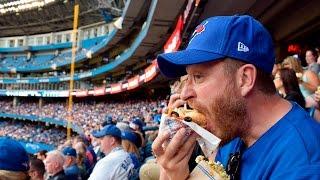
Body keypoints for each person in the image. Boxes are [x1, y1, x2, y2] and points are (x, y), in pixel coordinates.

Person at [153, 15, 320, 179]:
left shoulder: (302, 167)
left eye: (198, 76)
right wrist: (172, 175)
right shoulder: (233, 125)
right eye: (187, 78)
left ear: (245, 79)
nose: (184, 93)